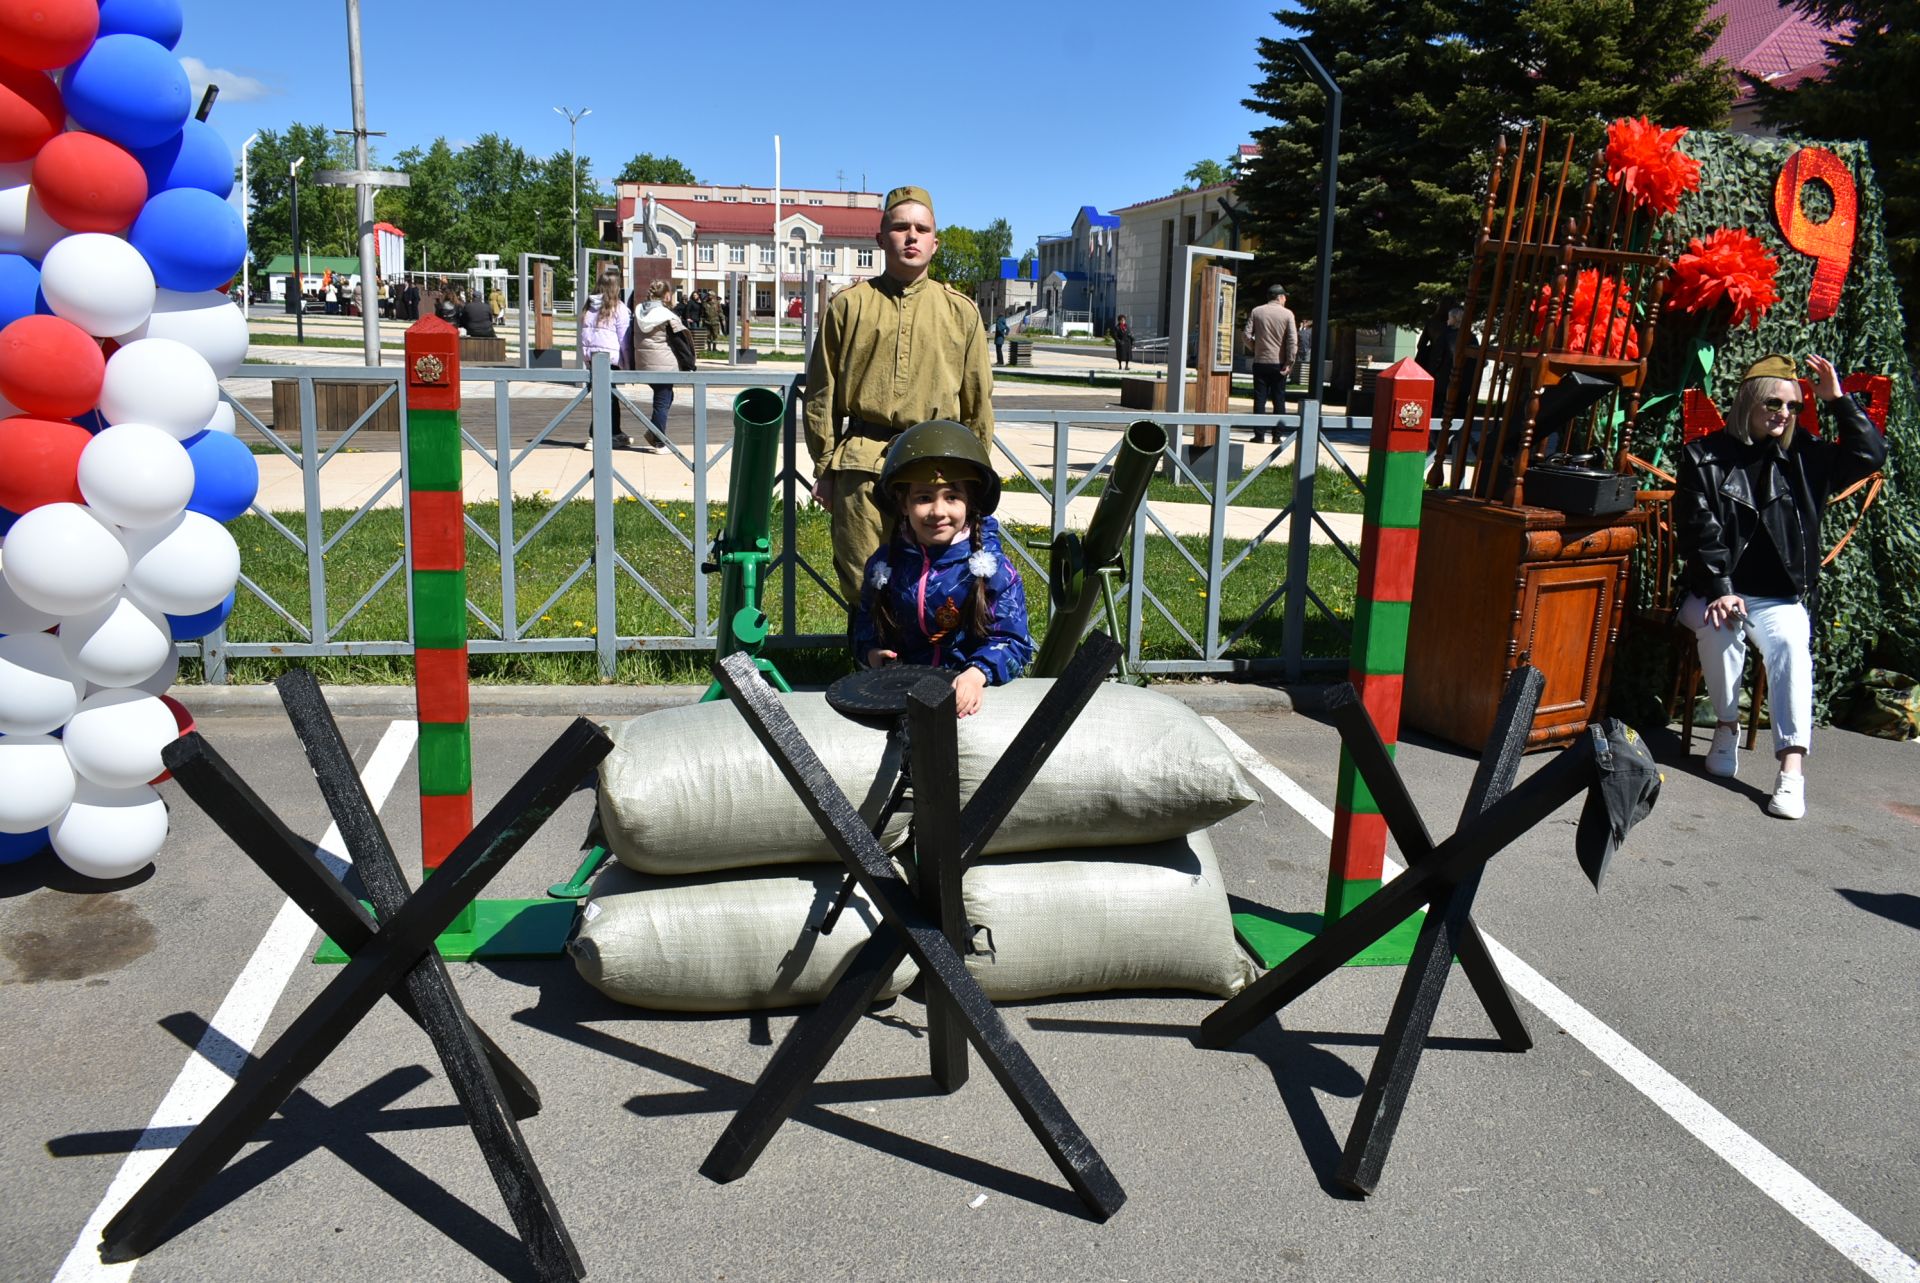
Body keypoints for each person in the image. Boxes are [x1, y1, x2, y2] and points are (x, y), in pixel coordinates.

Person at [1675, 353, 1885, 819]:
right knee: (1721, 627)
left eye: (1792, 405)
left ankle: (1791, 773)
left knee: (1791, 641)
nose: (1783, 413)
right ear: (1748, 401)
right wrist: (1721, 588)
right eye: (1773, 402)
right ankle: (1727, 727)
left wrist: (1838, 400)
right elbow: (1699, 528)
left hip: (1776, 598)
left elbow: (1871, 454)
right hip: (1711, 590)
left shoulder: (1805, 457)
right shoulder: (1703, 456)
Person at [804, 184, 995, 604]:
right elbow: (821, 394)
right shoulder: (849, 306)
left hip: (936, 472)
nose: (912, 236)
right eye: (900, 227)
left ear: (935, 242)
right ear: (880, 238)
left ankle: (928, 671)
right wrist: (826, 465)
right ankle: (868, 667)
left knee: (934, 585)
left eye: (921, 229)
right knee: (862, 582)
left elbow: (977, 402)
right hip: (861, 467)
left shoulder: (960, 312)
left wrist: (976, 476)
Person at [852, 420, 1033, 717]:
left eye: (952, 497)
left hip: (972, 701)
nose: (938, 512)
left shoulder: (993, 570)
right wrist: (872, 653)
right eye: (923, 498)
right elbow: (865, 625)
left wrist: (977, 673)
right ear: (903, 505)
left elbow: (1014, 641)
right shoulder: (885, 566)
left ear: (970, 502)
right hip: (900, 697)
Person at [627, 279, 688, 451]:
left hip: (643, 362)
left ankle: (653, 432)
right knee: (662, 401)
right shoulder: (667, 315)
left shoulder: (639, 311)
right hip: (663, 364)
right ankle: (659, 441)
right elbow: (680, 342)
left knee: (666, 397)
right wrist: (688, 363)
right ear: (667, 295)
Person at [578, 266, 631, 446]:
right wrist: (628, 363)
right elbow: (624, 338)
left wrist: (586, 356)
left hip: (593, 357)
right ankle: (595, 435)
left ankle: (615, 431)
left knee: (606, 395)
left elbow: (585, 335)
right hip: (610, 357)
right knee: (608, 396)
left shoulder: (589, 307)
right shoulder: (618, 308)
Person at [1244, 283, 1298, 445]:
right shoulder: (1288, 314)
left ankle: (1259, 435)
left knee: (1260, 399)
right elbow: (1292, 341)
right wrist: (1290, 362)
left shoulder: (1256, 311)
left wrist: (1256, 347)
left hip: (1260, 361)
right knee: (1279, 399)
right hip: (1279, 363)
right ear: (1280, 297)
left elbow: (1246, 335)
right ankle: (1277, 436)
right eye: (1285, 297)